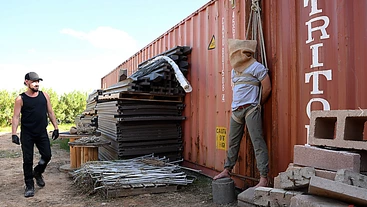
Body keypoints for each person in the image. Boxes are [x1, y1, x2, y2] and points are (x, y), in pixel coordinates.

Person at [213, 39, 271, 188]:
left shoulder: (257, 67)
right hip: (236, 111)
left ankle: (264, 178)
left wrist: (258, 104)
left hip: (251, 109)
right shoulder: (234, 70)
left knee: (257, 143)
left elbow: (267, 88)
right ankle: (227, 170)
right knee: (232, 143)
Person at [11, 72, 59, 197]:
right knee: (28, 160)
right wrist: (14, 133)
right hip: (27, 134)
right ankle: (29, 185)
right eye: (33, 81)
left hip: (41, 132)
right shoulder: (20, 99)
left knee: (47, 155)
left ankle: (37, 172)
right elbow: (16, 117)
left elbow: (50, 112)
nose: (36, 84)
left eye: (38, 81)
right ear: (26, 82)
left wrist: (56, 128)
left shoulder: (44, 96)